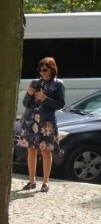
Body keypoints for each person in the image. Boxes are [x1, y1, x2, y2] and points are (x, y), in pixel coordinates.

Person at [17, 57, 65, 193]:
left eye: (45, 70)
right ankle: (32, 181)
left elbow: (60, 104)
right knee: (31, 150)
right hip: (31, 120)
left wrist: (46, 99)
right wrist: (28, 94)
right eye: (40, 70)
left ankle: (45, 182)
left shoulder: (58, 84)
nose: (42, 73)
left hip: (46, 122)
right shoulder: (35, 82)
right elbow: (25, 103)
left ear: (52, 69)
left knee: (45, 151)